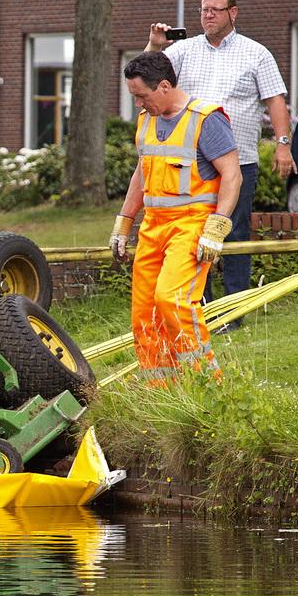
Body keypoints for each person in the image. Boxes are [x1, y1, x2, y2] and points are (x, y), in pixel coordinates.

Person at [145, 0, 296, 331]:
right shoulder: (183, 50)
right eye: (203, 9)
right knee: (193, 236)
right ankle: (201, 311)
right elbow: (145, 78)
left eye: (215, 9)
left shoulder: (256, 53)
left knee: (233, 234)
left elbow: (275, 100)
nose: (208, 15)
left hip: (237, 163)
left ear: (233, 12)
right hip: (191, 165)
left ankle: (233, 314)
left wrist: (283, 144)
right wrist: (155, 45)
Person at [110, 52, 242, 384]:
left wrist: (216, 228)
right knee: (145, 310)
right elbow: (142, 173)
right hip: (153, 226)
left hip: (191, 225)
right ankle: (162, 388)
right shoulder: (147, 119)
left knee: (173, 300)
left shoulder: (206, 120)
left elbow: (233, 175)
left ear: (165, 86)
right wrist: (124, 222)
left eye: (142, 95)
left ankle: (207, 384)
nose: (138, 104)